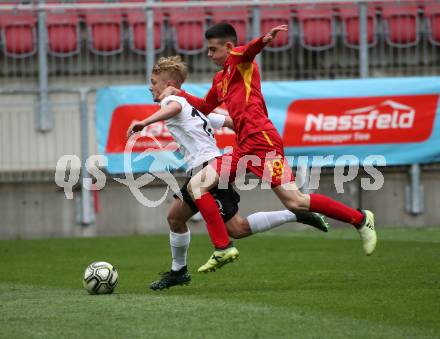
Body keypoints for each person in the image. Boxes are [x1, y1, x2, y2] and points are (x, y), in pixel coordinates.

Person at [159, 23, 377, 273]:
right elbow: (206, 106)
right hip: (243, 146)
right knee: (198, 185)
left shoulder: (240, 61)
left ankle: (360, 219)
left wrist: (264, 39)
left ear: (229, 47)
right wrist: (181, 92)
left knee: (295, 201)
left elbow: (250, 50)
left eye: (213, 49)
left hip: (264, 142)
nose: (209, 55)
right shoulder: (220, 79)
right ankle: (223, 248)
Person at [127, 56, 329, 290]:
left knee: (236, 228)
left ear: (168, 82)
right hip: (207, 166)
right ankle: (178, 271)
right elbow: (231, 121)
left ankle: (293, 215)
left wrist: (144, 122)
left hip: (207, 169)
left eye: (153, 81)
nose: (150, 86)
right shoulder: (194, 107)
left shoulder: (172, 100)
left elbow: (173, 106)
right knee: (177, 218)